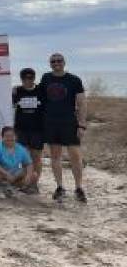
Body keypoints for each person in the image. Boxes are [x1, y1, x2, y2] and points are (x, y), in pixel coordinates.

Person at [39, 53, 87, 202]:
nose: (56, 63)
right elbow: (38, 94)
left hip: (69, 122)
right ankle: (60, 187)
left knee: (75, 156)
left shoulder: (74, 80)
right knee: (55, 156)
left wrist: (82, 124)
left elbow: (81, 103)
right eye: (53, 61)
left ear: (64, 62)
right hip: (51, 122)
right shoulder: (46, 78)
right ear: (50, 63)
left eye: (59, 60)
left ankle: (78, 188)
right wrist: (18, 89)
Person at [12, 67, 44, 192]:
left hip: (38, 129)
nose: (28, 80)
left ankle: (34, 183)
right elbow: (9, 105)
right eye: (25, 78)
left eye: (30, 78)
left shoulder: (41, 91)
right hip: (21, 129)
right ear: (21, 79)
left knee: (36, 157)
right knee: (25, 157)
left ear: (34, 78)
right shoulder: (17, 91)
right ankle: (26, 181)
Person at [0, 127, 39, 198]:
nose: (9, 138)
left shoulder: (21, 148)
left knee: (34, 175)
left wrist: (28, 176)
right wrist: (6, 174)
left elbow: (29, 163)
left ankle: (18, 188)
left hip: (15, 175)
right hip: (2, 174)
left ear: (16, 137)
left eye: (12, 136)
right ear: (2, 137)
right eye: (7, 136)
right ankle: (0, 188)